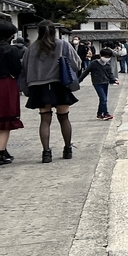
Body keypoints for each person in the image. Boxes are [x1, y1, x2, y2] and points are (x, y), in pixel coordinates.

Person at [19, 21, 82, 163]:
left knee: (45, 120)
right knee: (64, 118)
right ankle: (67, 149)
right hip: (59, 85)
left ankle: (46, 153)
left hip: (39, 87)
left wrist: (27, 88)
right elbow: (77, 64)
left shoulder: (31, 48)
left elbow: (24, 69)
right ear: (55, 31)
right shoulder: (63, 45)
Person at [0, 20, 25, 166]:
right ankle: (0, 154)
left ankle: (3, 149)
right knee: (4, 120)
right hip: (5, 84)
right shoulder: (10, 50)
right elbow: (16, 70)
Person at [79, 48, 118, 120]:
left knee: (103, 99)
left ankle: (100, 114)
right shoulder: (94, 63)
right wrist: (79, 81)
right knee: (103, 98)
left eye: (108, 57)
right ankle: (106, 113)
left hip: (105, 83)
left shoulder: (107, 65)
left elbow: (110, 74)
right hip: (97, 83)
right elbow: (86, 72)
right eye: (105, 57)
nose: (107, 58)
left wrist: (114, 80)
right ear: (101, 55)